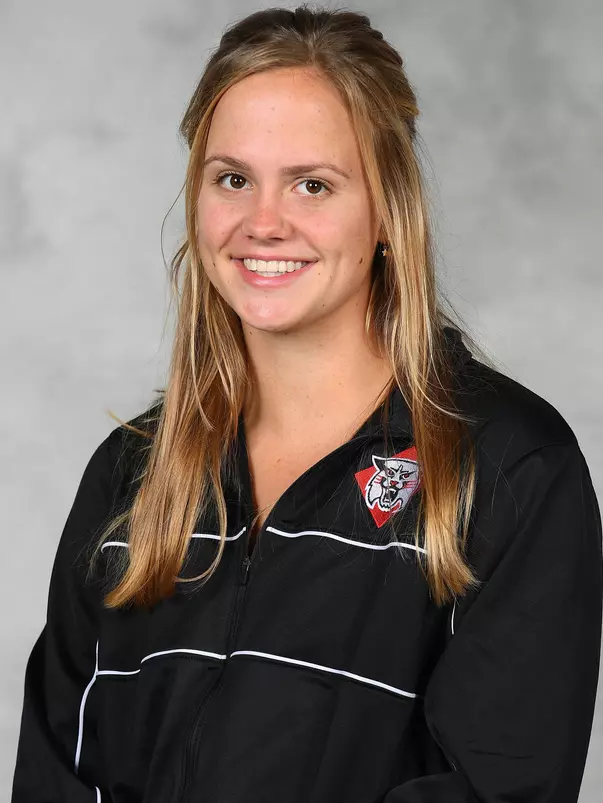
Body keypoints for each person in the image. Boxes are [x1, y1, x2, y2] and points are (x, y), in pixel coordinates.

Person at [11, 5, 602, 803]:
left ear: (388, 210)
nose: (263, 223)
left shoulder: (508, 468)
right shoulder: (133, 476)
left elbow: (497, 787)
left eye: (312, 184)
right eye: (232, 179)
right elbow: (55, 775)